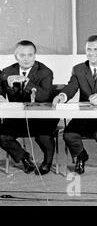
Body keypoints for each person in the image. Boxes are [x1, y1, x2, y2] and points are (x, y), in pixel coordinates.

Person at [52, 35, 97, 176]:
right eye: (88, 49)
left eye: (95, 49)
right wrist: (62, 96)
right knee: (69, 135)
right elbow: (71, 87)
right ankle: (81, 155)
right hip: (85, 116)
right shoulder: (78, 69)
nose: (92, 53)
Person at [0, 40, 56, 175]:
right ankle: (24, 158)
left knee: (44, 137)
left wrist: (27, 82)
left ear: (35, 55)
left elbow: (43, 96)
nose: (26, 59)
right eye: (22, 55)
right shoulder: (6, 72)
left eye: (30, 55)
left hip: (41, 119)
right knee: (2, 135)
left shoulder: (45, 72)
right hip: (17, 120)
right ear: (15, 56)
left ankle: (47, 163)